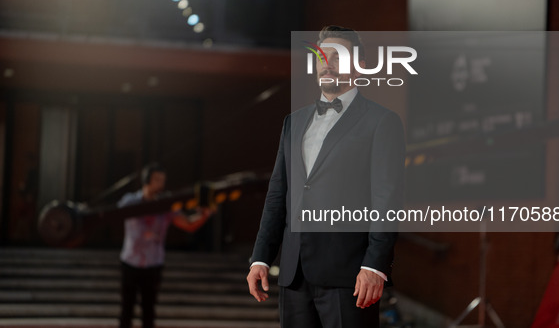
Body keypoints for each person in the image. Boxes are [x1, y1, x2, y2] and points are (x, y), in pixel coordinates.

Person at [247, 26, 406, 327]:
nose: (327, 63)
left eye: (337, 56)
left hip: (350, 275)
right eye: (322, 56)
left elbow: (388, 198)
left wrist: (375, 264)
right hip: (294, 274)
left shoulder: (382, 121)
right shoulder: (293, 122)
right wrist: (261, 257)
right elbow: (278, 194)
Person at [118, 162, 214, 328]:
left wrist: (204, 215)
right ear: (147, 180)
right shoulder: (130, 201)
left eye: (163, 180)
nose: (160, 184)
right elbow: (116, 215)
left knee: (149, 311)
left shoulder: (167, 205)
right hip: (130, 261)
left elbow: (188, 224)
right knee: (126, 310)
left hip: (153, 263)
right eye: (157, 180)